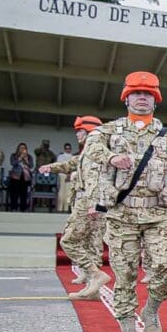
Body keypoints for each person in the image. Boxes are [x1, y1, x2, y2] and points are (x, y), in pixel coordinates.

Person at [83, 71, 167, 332]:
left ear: (156, 101)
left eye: (148, 94)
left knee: (166, 266)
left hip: (159, 214)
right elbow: (91, 151)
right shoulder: (109, 132)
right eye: (137, 93)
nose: (142, 98)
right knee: (125, 277)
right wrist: (111, 158)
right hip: (122, 215)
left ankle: (151, 309)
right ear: (126, 98)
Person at [40, 116, 109, 296]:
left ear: (90, 132)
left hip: (91, 201)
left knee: (69, 241)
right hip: (90, 202)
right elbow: (69, 164)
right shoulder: (87, 153)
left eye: (80, 131)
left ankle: (94, 274)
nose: (77, 134)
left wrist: (95, 204)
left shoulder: (95, 152)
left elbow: (96, 180)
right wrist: (50, 167)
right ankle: (92, 288)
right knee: (89, 242)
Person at [7, 142, 34, 211]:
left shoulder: (29, 156)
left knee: (24, 193)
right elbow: (12, 163)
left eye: (24, 148)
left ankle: (23, 208)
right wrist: (20, 158)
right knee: (14, 193)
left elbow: (31, 166)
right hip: (15, 176)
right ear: (18, 148)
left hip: (25, 177)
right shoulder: (14, 155)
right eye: (21, 148)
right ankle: (14, 208)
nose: (23, 149)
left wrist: (26, 159)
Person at [55, 143, 75, 212]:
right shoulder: (60, 156)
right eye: (66, 148)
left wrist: (69, 174)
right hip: (62, 175)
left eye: (69, 148)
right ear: (64, 149)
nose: (68, 150)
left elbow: (73, 167)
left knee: (68, 192)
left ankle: (66, 209)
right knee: (61, 192)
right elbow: (59, 166)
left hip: (69, 175)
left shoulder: (72, 156)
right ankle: (59, 209)